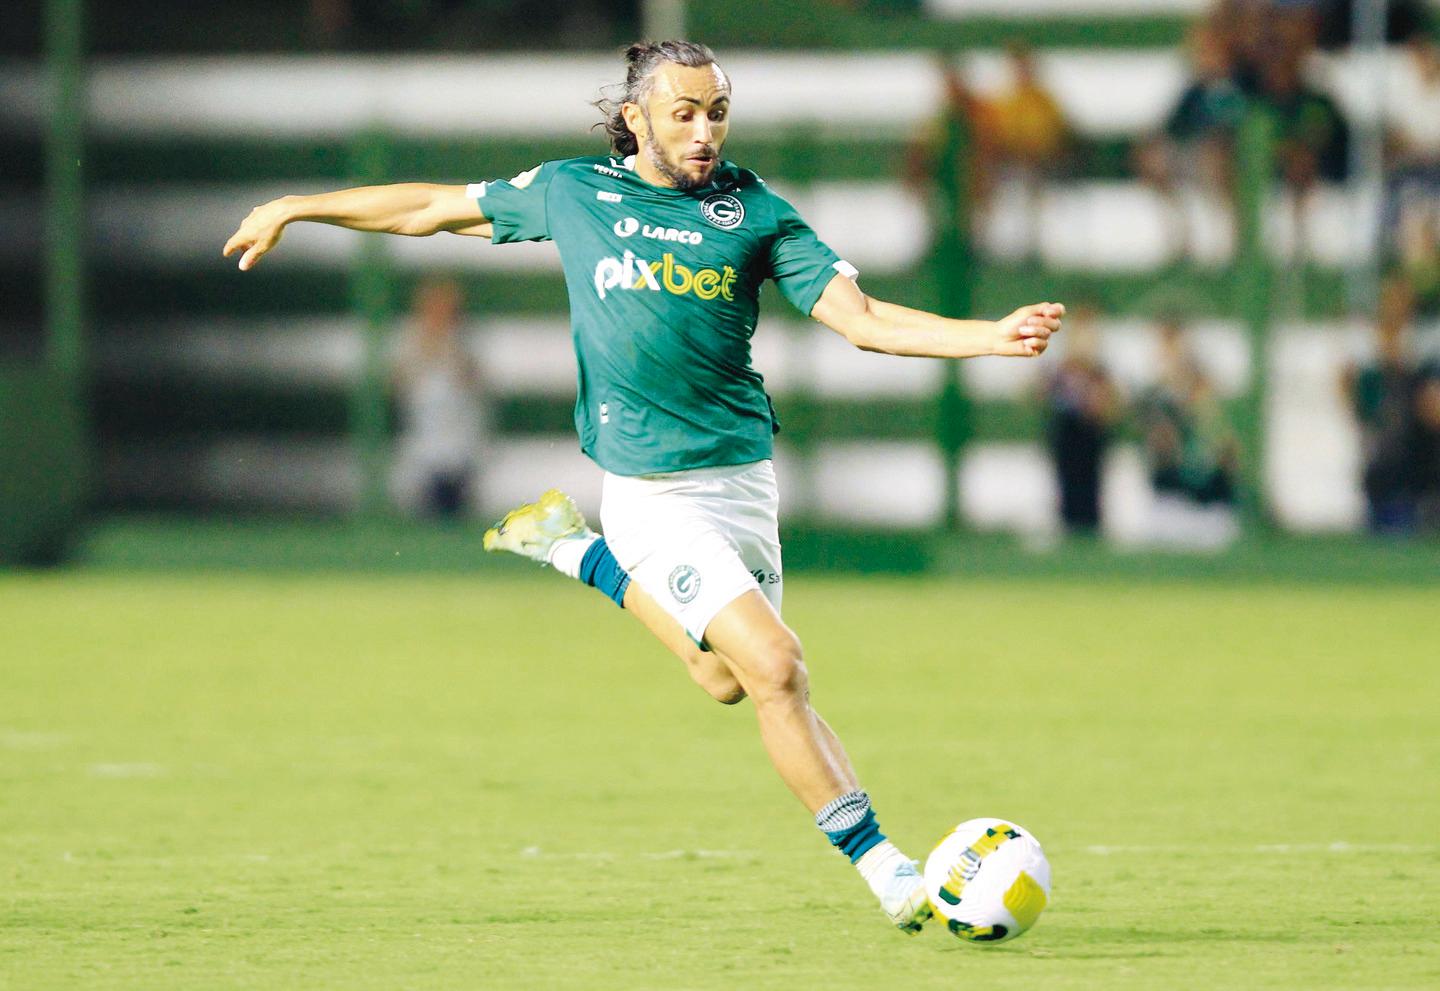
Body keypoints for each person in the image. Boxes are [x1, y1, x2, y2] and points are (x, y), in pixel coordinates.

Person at [223, 40, 1064, 934]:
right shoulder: (575, 193)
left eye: (717, 113)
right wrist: (298, 207)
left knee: (724, 679)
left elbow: (860, 321)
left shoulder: (758, 214)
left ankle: (578, 551)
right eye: (684, 113)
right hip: (652, 493)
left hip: (742, 483)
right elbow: (432, 206)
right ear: (636, 117)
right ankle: (889, 871)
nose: (704, 132)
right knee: (779, 668)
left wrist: (989, 336)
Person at [389, 275, 486, 519]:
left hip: (457, 436)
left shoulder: (464, 341)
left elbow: (471, 381)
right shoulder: (412, 341)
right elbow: (398, 382)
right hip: (424, 436)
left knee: (454, 498)